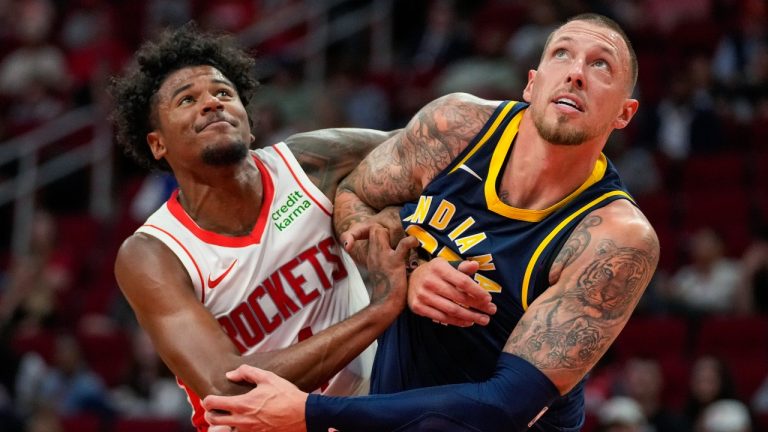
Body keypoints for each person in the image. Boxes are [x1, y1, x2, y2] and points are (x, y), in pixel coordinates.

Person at [202, 13, 660, 432]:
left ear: (625, 112)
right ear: (532, 84)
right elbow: (354, 194)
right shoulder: (455, 127)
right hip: (391, 414)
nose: (576, 72)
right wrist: (404, 274)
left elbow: (502, 408)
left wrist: (307, 412)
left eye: (602, 66)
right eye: (562, 53)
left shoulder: (615, 236)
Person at [110, 23, 417, 431]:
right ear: (157, 144)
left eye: (223, 93)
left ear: (248, 121)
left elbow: (423, 147)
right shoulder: (153, 253)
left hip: (369, 405)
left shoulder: (308, 164)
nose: (211, 104)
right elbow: (231, 390)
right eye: (187, 99)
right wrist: (382, 308)